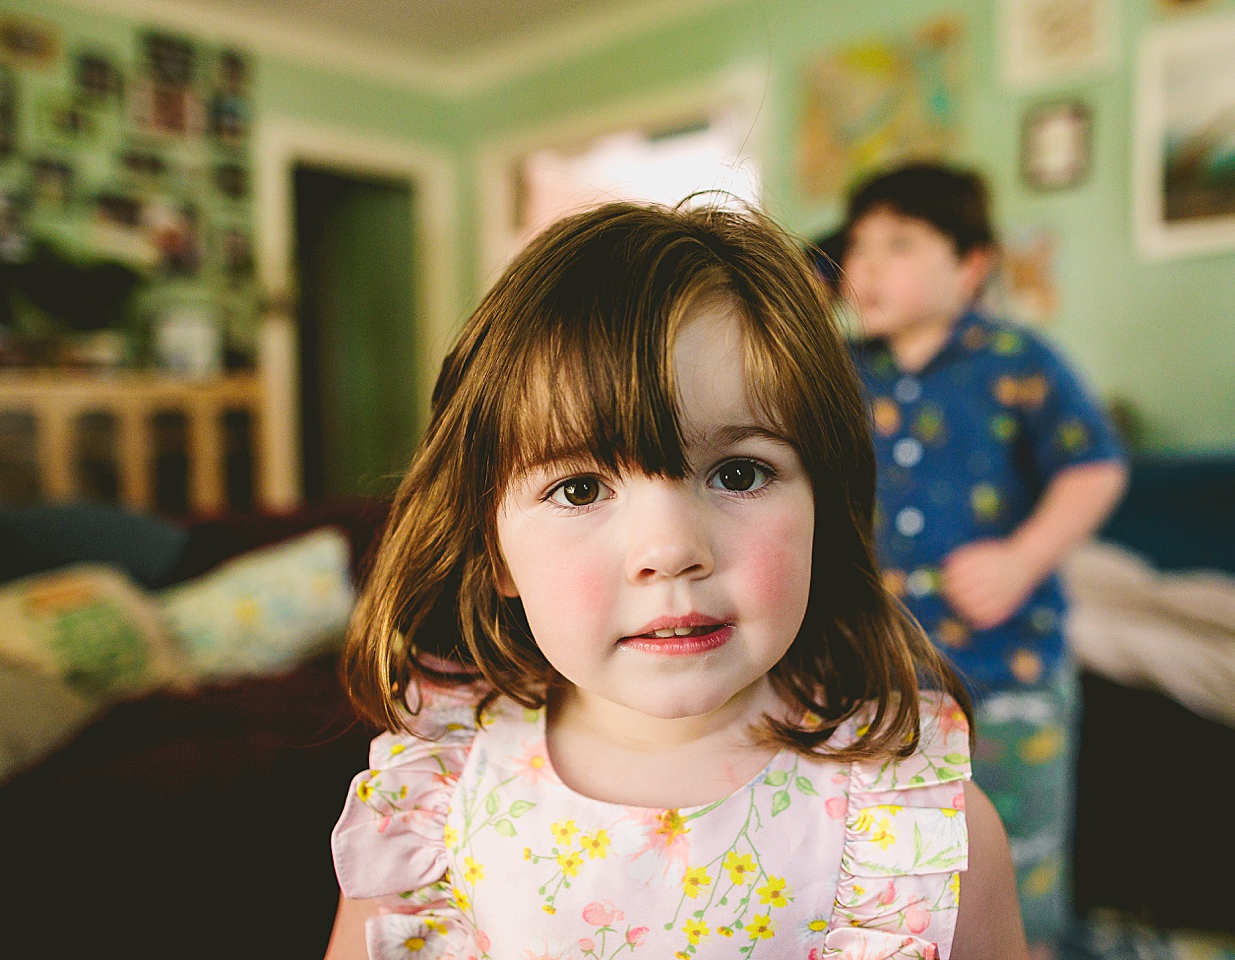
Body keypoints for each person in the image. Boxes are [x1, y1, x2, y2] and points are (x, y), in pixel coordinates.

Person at [324, 201, 1028, 960]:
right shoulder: (430, 808)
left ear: (825, 503)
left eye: (738, 472)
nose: (670, 550)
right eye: (581, 488)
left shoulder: (919, 831)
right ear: (492, 550)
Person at [834, 163, 1129, 958]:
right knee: (908, 868)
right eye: (857, 246)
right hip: (886, 677)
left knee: (1022, 875)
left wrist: (1022, 558)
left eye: (897, 244)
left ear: (972, 265)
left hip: (1010, 671)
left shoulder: (1017, 360)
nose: (865, 266)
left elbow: (1094, 466)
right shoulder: (843, 373)